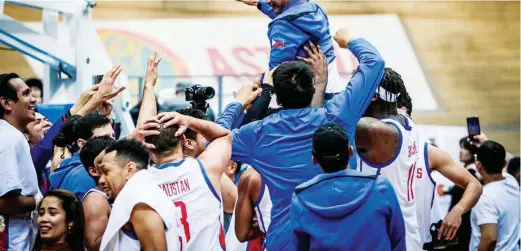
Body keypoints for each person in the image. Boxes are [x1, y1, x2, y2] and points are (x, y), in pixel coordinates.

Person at [217, 28, 385, 250]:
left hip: (287, 242)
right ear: (312, 87)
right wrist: (350, 41)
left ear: (277, 97)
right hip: (341, 240)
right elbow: (375, 63)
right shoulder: (338, 115)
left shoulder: (258, 133)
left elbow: (215, 140)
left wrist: (238, 102)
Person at [290, 122, 406, 250]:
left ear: (314, 159)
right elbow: (398, 242)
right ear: (351, 151)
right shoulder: (381, 187)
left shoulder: (300, 199)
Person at [144, 111, 231, 250]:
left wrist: (134, 139)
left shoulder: (141, 181)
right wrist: (189, 121)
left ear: (149, 151)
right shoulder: (205, 168)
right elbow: (224, 135)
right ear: (184, 139)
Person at [236, 0, 345, 98]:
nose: (267, 1)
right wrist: (260, 3)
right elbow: (289, 14)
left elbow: (277, 73)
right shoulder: (314, 9)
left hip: (310, 100)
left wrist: (261, 85)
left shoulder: (282, 25)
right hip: (335, 93)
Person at [98, 139, 180, 251]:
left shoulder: (139, 200)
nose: (101, 180)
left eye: (106, 172)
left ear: (130, 169)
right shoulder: (140, 190)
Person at [0, 72, 42, 250]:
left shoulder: (11, 135)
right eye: (25, 94)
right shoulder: (9, 138)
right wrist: (39, 201)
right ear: (6, 103)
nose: (33, 99)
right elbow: (3, 203)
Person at [49, 114, 115, 200]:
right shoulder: (87, 175)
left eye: (113, 135)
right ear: (82, 143)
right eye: (104, 138)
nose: (112, 142)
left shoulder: (66, 168)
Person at [470, 141, 519, 251]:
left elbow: (490, 238)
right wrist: (484, 141)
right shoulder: (512, 183)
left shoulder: (483, 196)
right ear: (504, 163)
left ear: (478, 167)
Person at [79, 136, 116, 251]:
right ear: (94, 170)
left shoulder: (117, 192)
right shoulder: (95, 199)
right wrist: (127, 222)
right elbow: (93, 245)